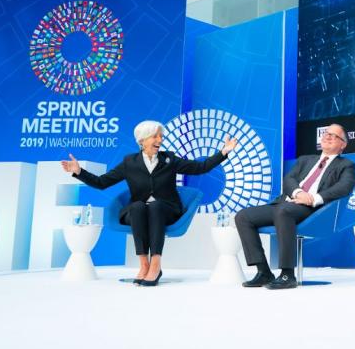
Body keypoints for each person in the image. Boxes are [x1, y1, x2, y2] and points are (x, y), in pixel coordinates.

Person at [61, 120, 237, 286]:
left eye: (161, 136)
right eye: (156, 136)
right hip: (138, 211)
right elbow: (102, 183)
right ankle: (143, 264)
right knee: (138, 206)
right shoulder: (129, 162)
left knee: (156, 205)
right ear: (142, 140)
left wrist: (223, 153)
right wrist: (79, 172)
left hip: (166, 209)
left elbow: (201, 167)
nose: (160, 140)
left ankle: (155, 265)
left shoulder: (169, 159)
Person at [235, 123, 355, 290]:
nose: (328, 136)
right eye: (327, 133)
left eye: (334, 136)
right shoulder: (305, 160)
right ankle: (263, 272)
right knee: (243, 216)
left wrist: (313, 198)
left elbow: (345, 187)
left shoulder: (346, 165)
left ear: (343, 144)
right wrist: (299, 193)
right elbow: (289, 180)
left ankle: (287, 274)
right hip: (287, 202)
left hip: (311, 210)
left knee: (283, 211)